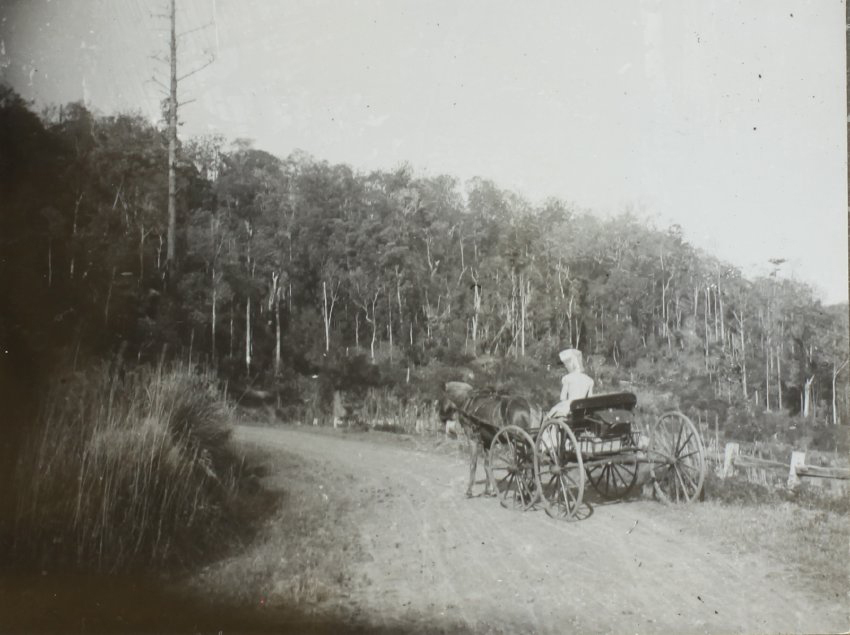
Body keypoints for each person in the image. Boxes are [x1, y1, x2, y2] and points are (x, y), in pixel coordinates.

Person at [547, 348, 594, 418]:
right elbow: (590, 398)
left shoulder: (567, 378)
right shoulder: (589, 380)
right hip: (581, 410)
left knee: (549, 416)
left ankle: (546, 427)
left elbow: (562, 398)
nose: (565, 366)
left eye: (566, 363)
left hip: (569, 407)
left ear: (571, 364)